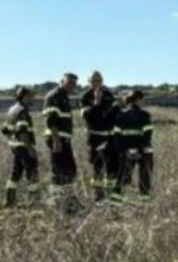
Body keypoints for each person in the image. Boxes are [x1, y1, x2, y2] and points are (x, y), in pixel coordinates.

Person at [79, 71, 120, 202]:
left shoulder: (108, 94)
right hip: (95, 138)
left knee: (112, 167)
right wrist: (96, 102)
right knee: (98, 168)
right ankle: (99, 196)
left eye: (99, 81)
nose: (97, 83)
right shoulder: (85, 97)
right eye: (94, 81)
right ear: (89, 82)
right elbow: (88, 116)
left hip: (110, 137)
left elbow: (116, 113)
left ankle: (111, 195)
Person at [110, 90, 154, 204]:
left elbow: (116, 136)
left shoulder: (120, 115)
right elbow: (147, 135)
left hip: (126, 152)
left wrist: (123, 151)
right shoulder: (144, 115)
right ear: (137, 100)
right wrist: (139, 150)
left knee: (121, 178)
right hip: (144, 152)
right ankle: (145, 204)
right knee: (145, 178)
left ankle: (115, 204)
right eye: (142, 99)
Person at [42, 72, 79, 203]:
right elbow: (50, 121)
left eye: (74, 83)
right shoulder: (55, 95)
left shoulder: (63, 96)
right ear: (62, 81)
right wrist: (56, 141)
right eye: (69, 82)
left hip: (63, 139)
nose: (72, 85)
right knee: (59, 171)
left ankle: (69, 200)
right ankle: (56, 201)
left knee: (70, 170)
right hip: (57, 139)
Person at [1, 87, 39, 207]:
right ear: (25, 97)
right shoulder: (22, 111)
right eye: (31, 96)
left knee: (16, 172)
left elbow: (5, 130)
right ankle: (33, 201)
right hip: (23, 147)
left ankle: (9, 200)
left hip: (15, 147)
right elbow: (23, 133)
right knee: (32, 172)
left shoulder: (12, 109)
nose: (33, 98)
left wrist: (11, 141)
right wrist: (30, 149)